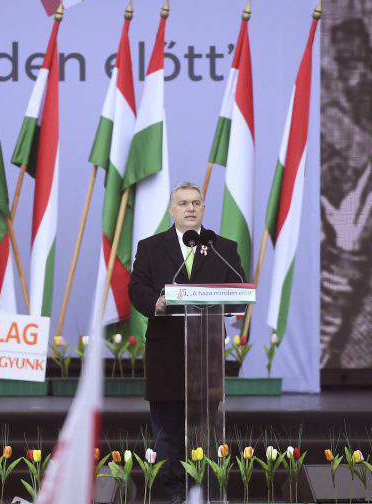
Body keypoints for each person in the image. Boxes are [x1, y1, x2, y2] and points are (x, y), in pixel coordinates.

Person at [128, 182, 245, 502]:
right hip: (165, 353)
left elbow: (238, 287)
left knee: (203, 432)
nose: (190, 208)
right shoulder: (150, 247)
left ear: (204, 208)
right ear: (172, 209)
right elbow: (137, 288)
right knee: (166, 434)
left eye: (196, 203)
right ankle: (170, 494)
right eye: (183, 203)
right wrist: (157, 302)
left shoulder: (224, 247)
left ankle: (201, 492)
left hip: (205, 353)